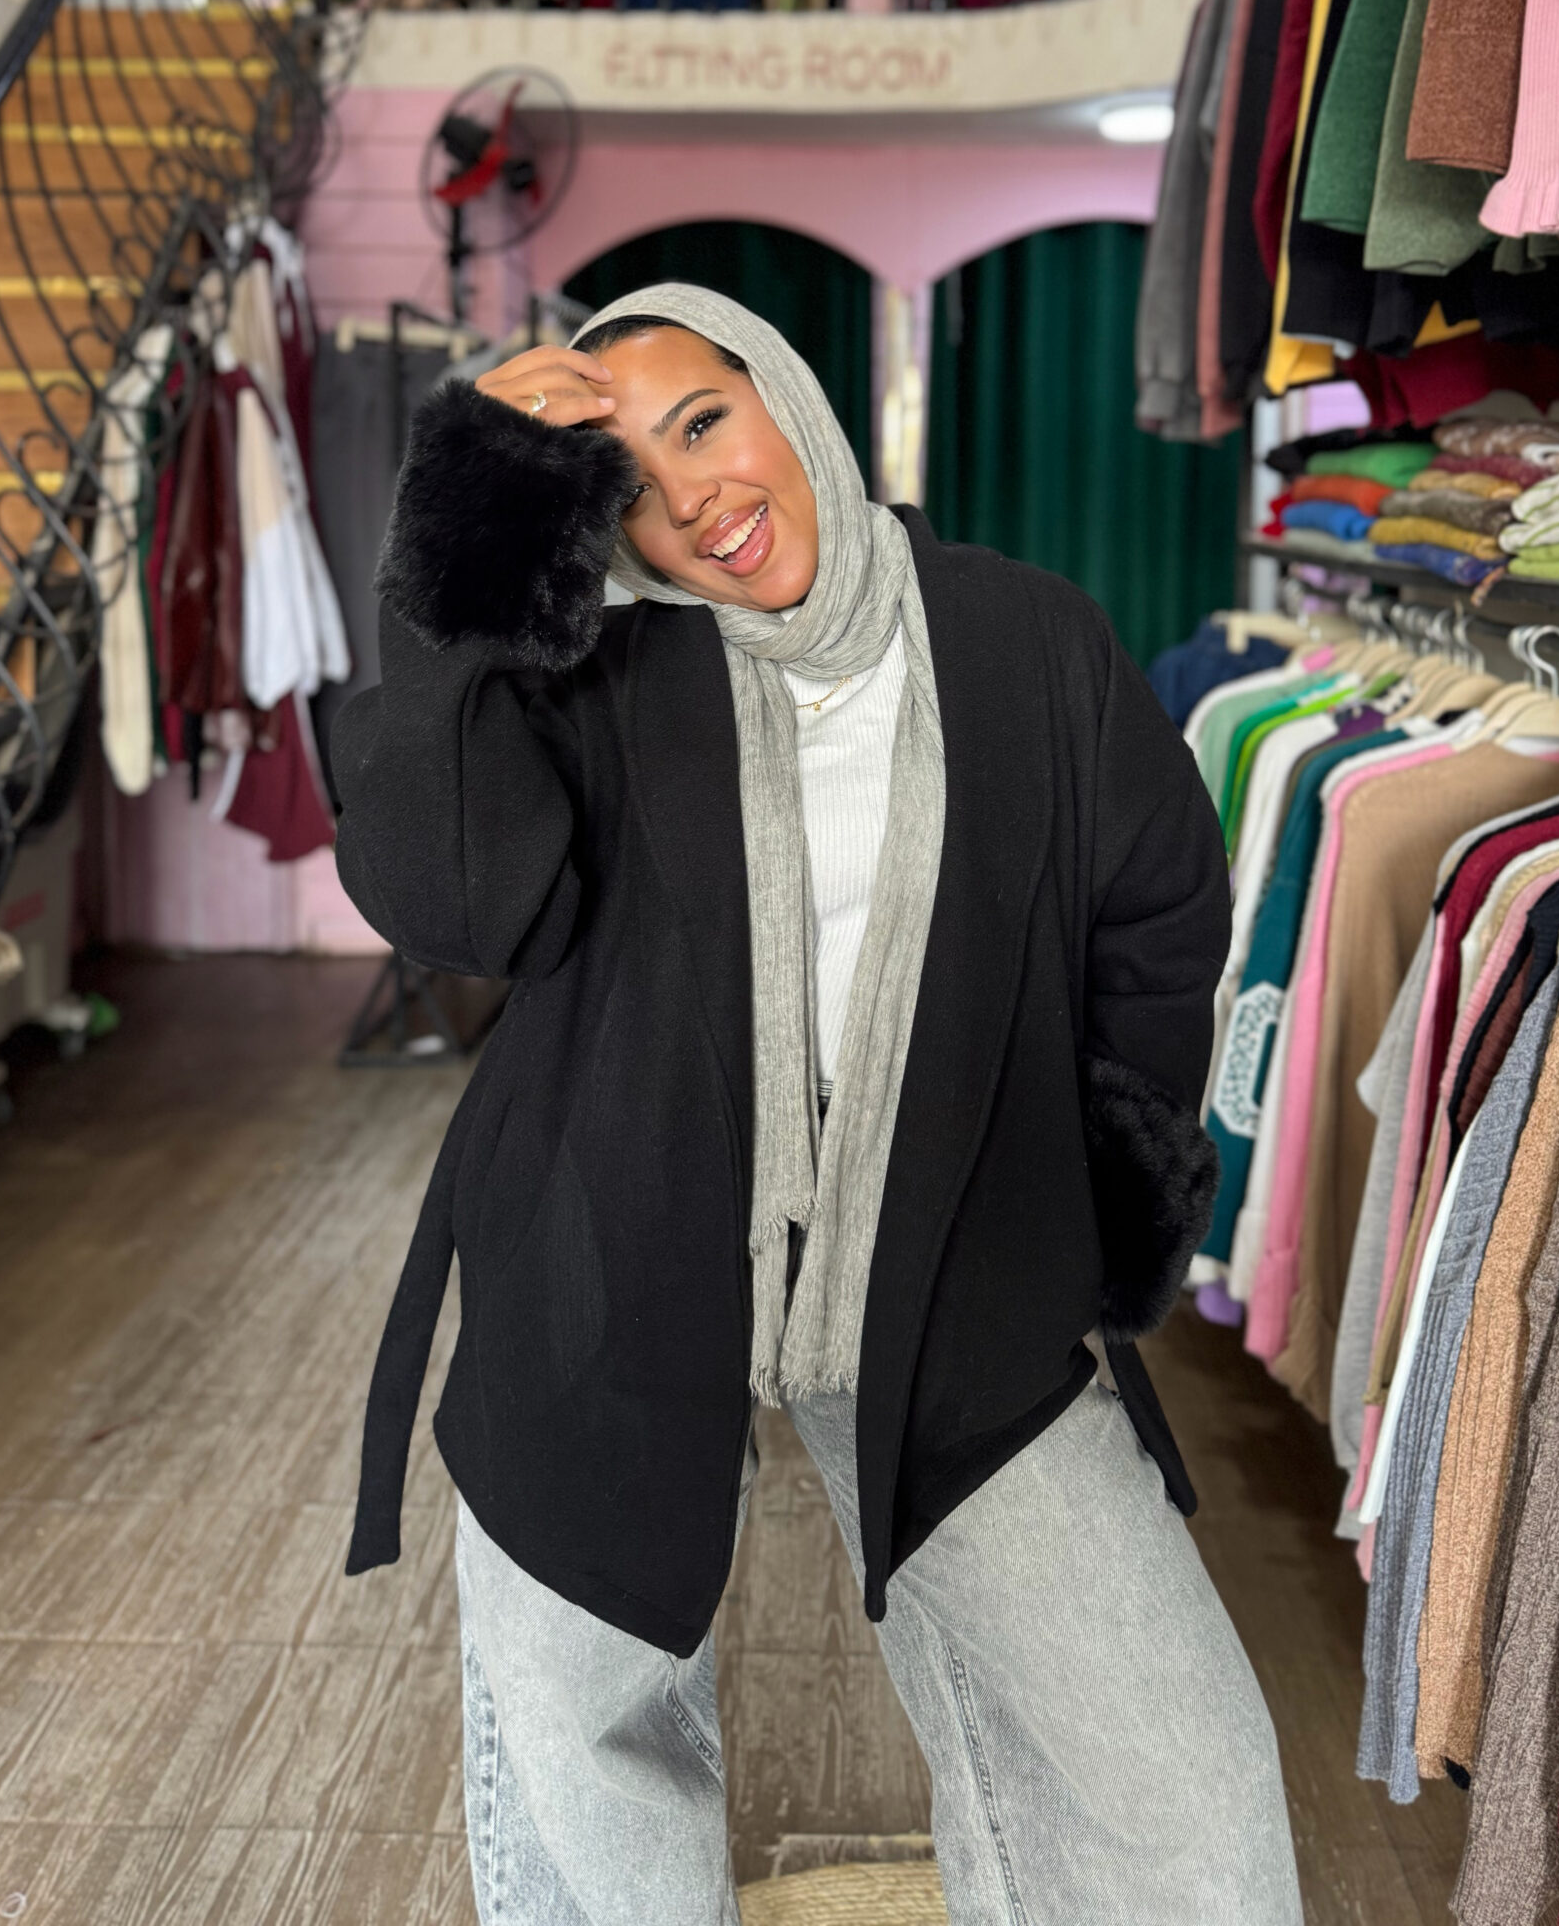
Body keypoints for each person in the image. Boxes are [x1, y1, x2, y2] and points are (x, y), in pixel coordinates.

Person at [333, 283, 1302, 1926]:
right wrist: (461, 566)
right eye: (631, 485)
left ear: (785, 394)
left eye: (705, 422)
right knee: (583, 1756)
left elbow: (1157, 917)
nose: (695, 498)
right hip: (611, 1246)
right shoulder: (592, 677)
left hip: (949, 1261)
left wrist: (1093, 1193)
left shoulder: (1024, 640)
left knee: (1170, 1767)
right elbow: (452, 907)